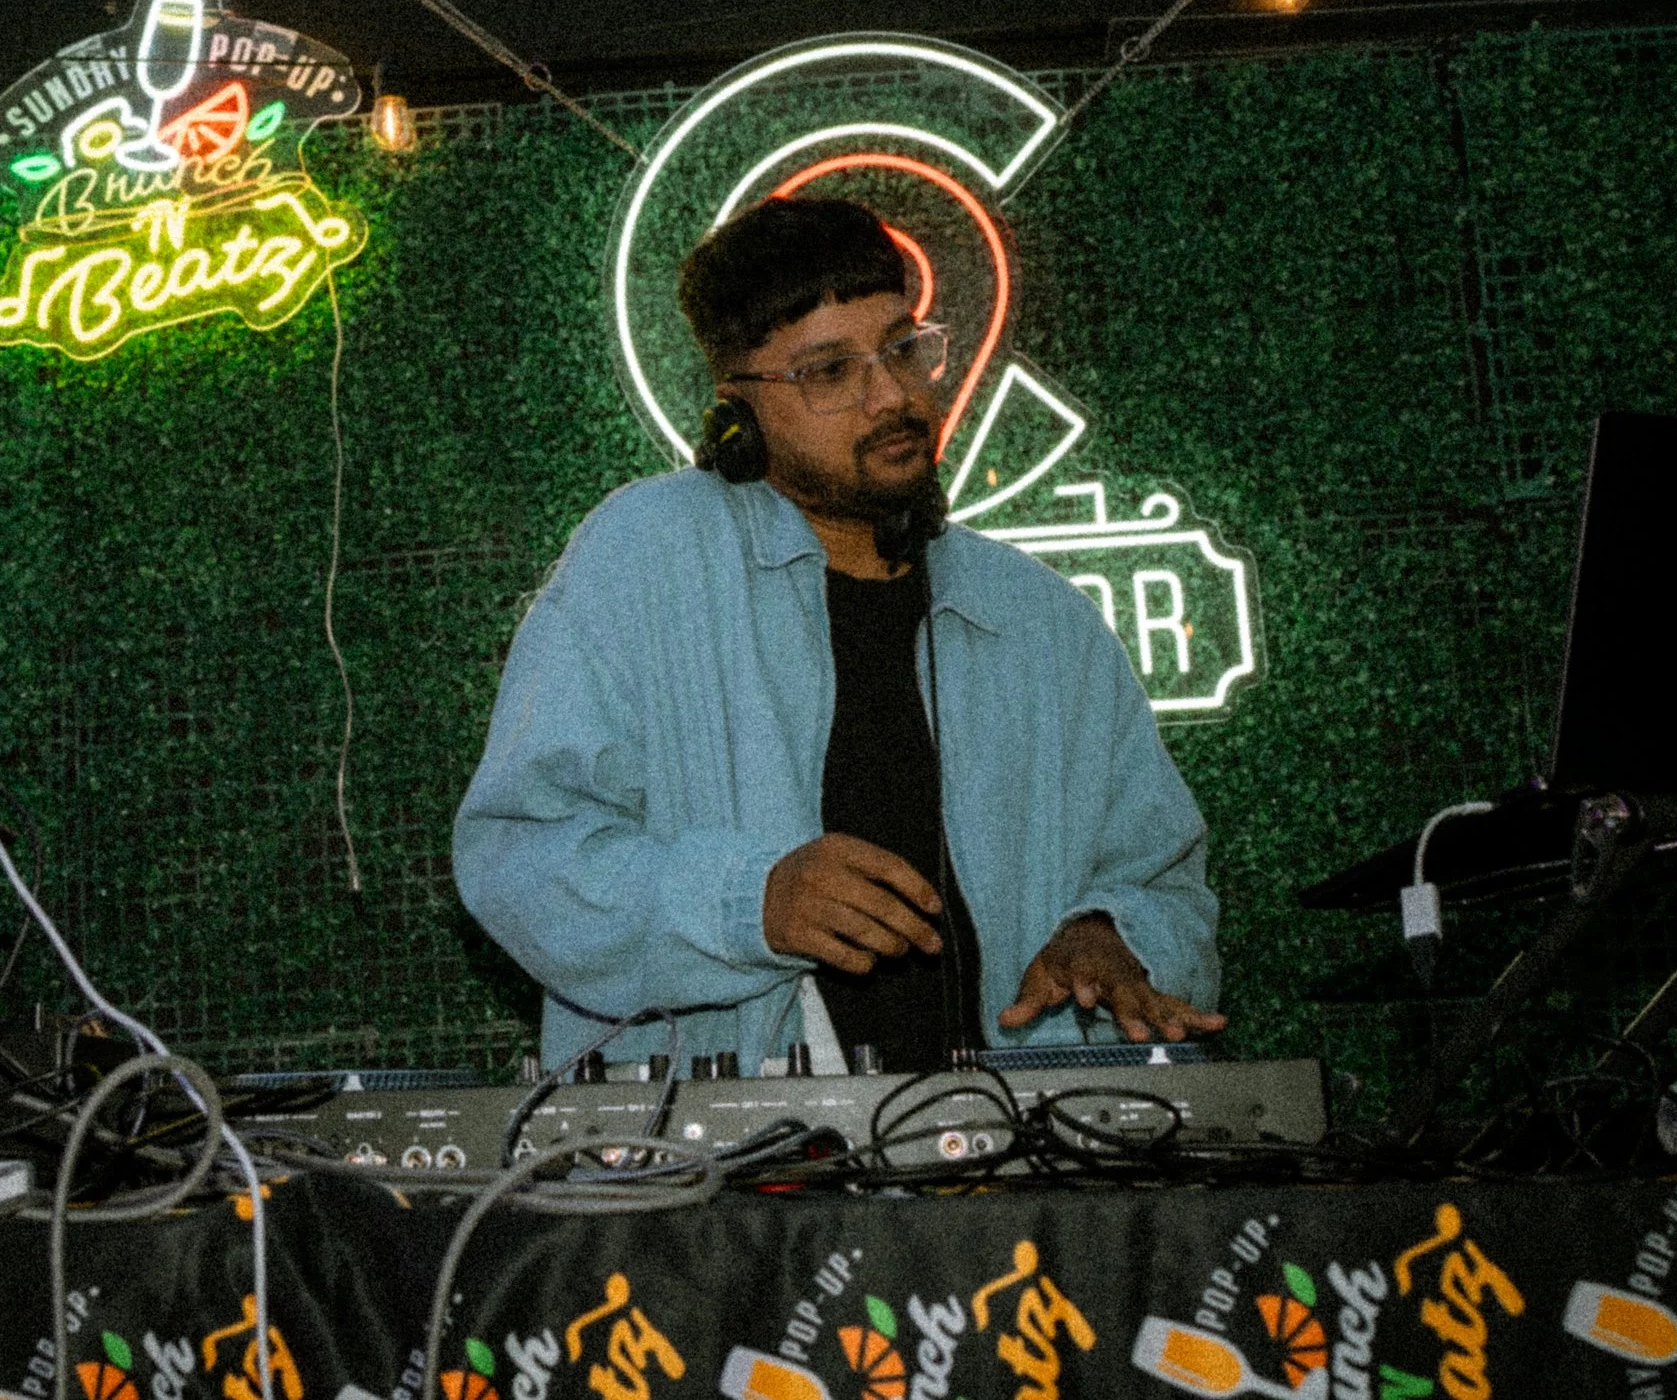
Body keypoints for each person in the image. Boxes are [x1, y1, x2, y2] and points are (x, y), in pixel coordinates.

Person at [453, 196, 1222, 1075]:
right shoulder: (646, 557)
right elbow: (521, 855)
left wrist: (1115, 935)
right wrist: (757, 902)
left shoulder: (1044, 619)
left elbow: (1166, 878)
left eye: (902, 348)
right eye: (829, 371)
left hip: (1020, 1157)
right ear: (736, 412)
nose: (891, 395)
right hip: (735, 1180)